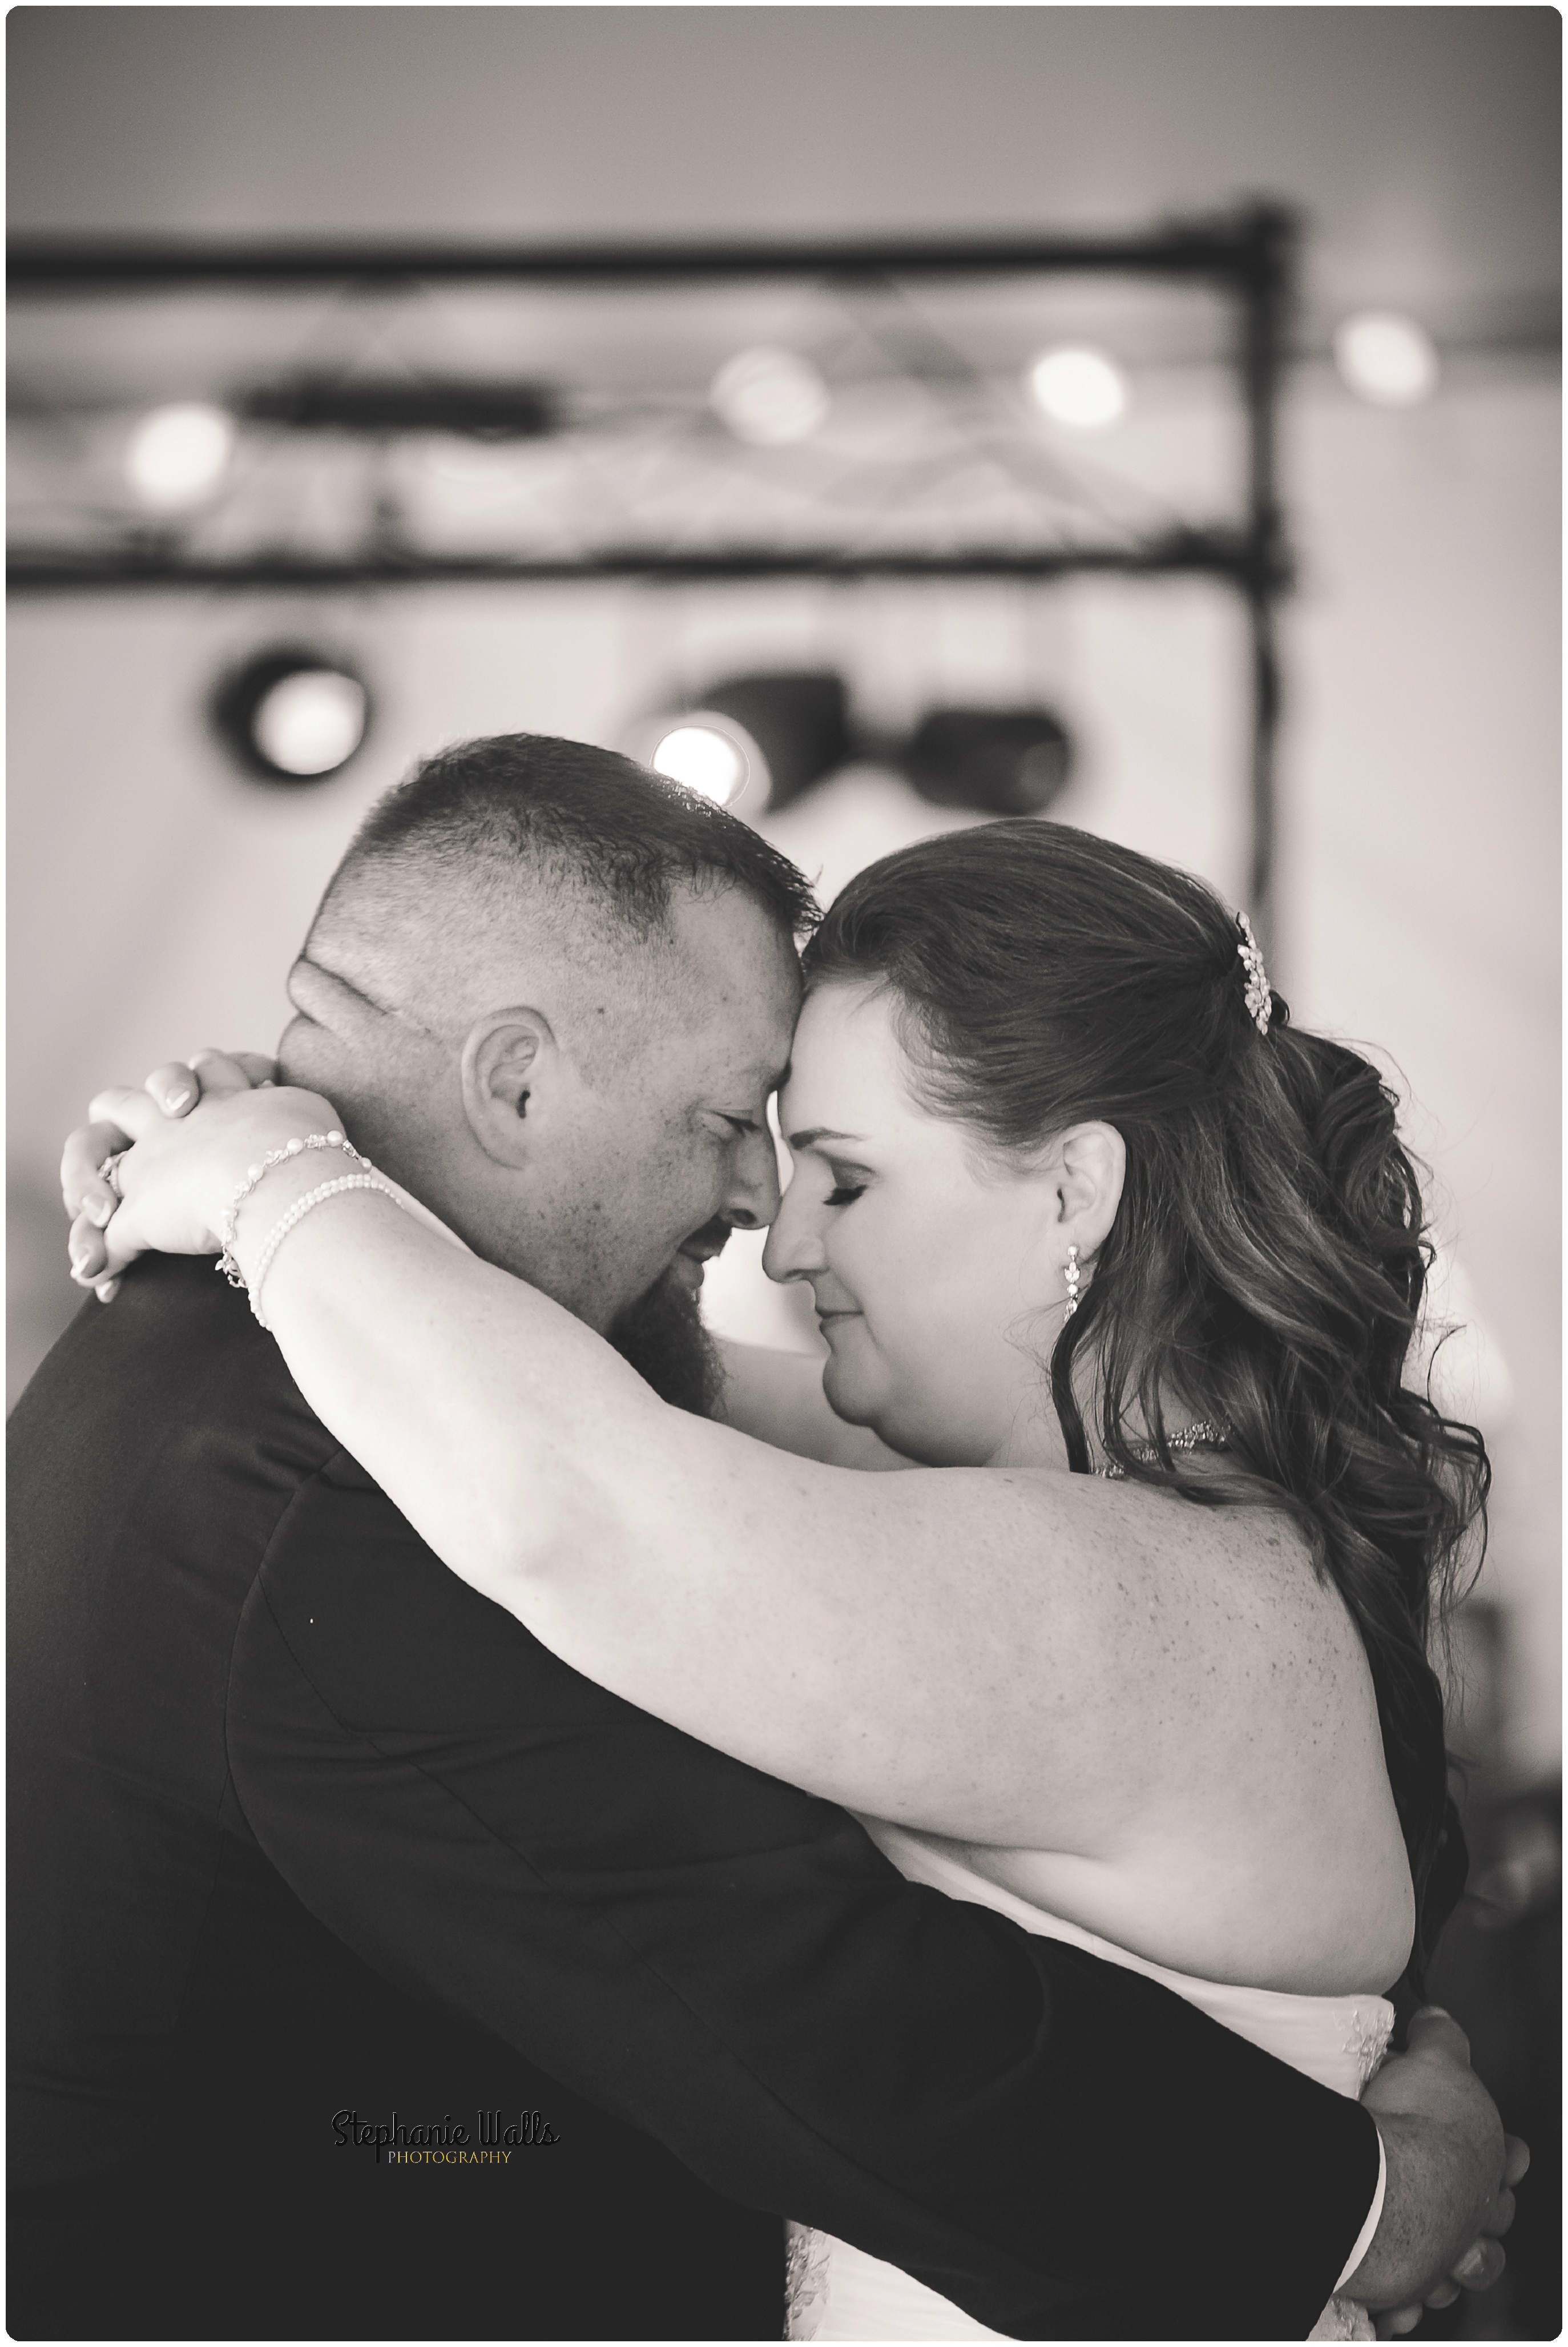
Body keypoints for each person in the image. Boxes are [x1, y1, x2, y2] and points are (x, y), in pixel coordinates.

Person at [48, 738, 1520, 2338]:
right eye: (749, 1133)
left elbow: (590, 1493)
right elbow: (623, 1423)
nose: (774, 1222)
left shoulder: (1134, 1585)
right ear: (517, 1079)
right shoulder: (364, 1453)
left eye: (840, 1174)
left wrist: (271, 1166)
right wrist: (256, 1127)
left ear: (1072, 1196)